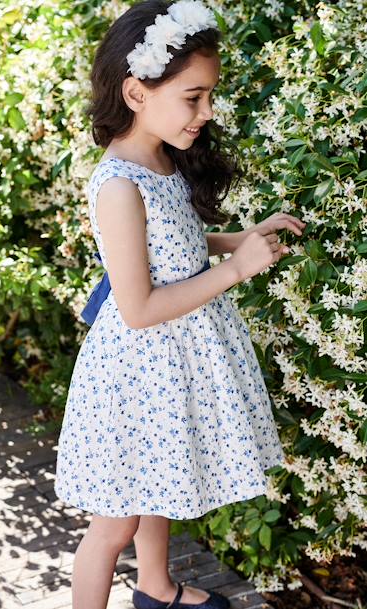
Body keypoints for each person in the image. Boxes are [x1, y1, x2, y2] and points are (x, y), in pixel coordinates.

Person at [54, 1, 306, 608]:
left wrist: (241, 240)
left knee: (162, 481)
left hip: (171, 362)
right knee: (113, 524)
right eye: (194, 97)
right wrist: (236, 271)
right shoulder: (118, 184)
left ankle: (157, 587)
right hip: (137, 369)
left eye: (209, 95)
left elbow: (177, 245)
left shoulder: (160, 158)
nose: (207, 112)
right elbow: (138, 305)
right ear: (137, 93)